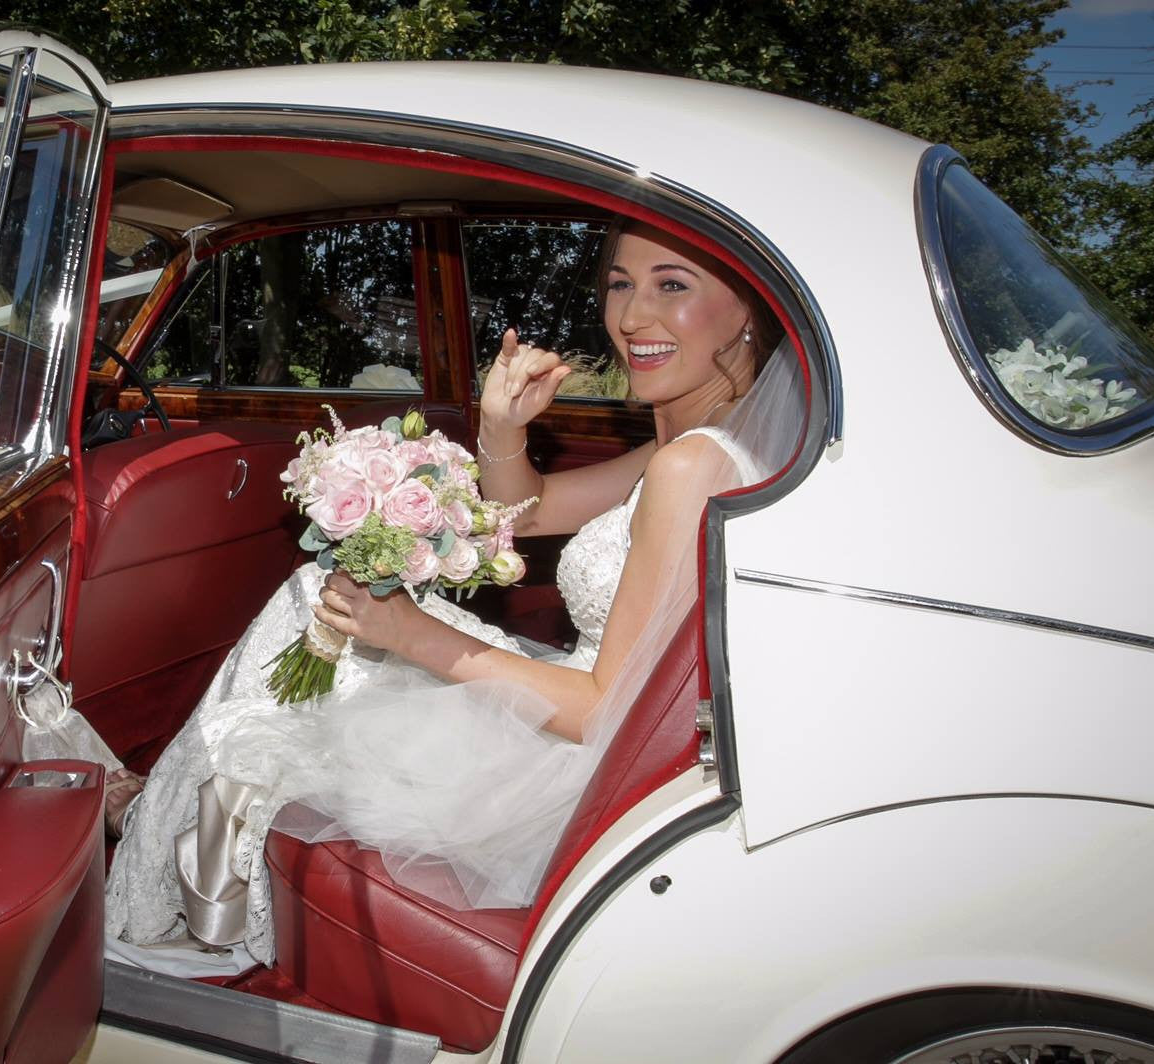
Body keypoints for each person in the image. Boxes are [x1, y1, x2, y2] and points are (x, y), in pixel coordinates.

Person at [98, 219, 804, 971]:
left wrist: (407, 633)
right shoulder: (692, 447)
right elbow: (522, 508)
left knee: (315, 616)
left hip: (584, 758)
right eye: (621, 285)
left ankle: (163, 843)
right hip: (584, 711)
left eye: (673, 286)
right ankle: (173, 813)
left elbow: (605, 707)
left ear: (748, 313)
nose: (632, 318)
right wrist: (502, 424)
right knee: (318, 605)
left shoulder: (690, 466)